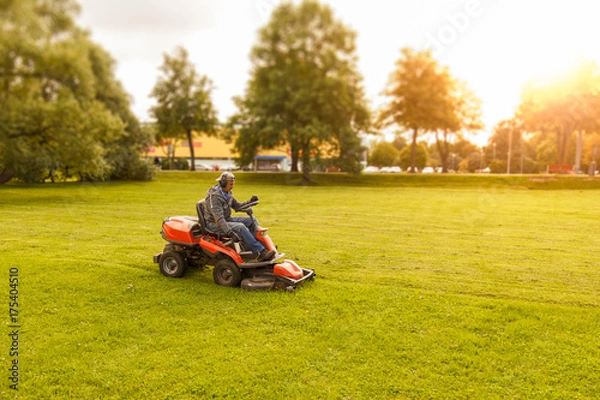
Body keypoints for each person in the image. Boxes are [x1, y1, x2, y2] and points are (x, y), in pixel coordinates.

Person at [203, 172, 276, 262]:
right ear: (223, 183)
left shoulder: (227, 193)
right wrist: (230, 233)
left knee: (251, 220)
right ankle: (259, 252)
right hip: (214, 224)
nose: (232, 186)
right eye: (230, 184)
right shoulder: (214, 197)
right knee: (240, 227)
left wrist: (250, 202)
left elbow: (237, 206)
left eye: (233, 184)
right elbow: (219, 220)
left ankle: (259, 247)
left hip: (226, 219)